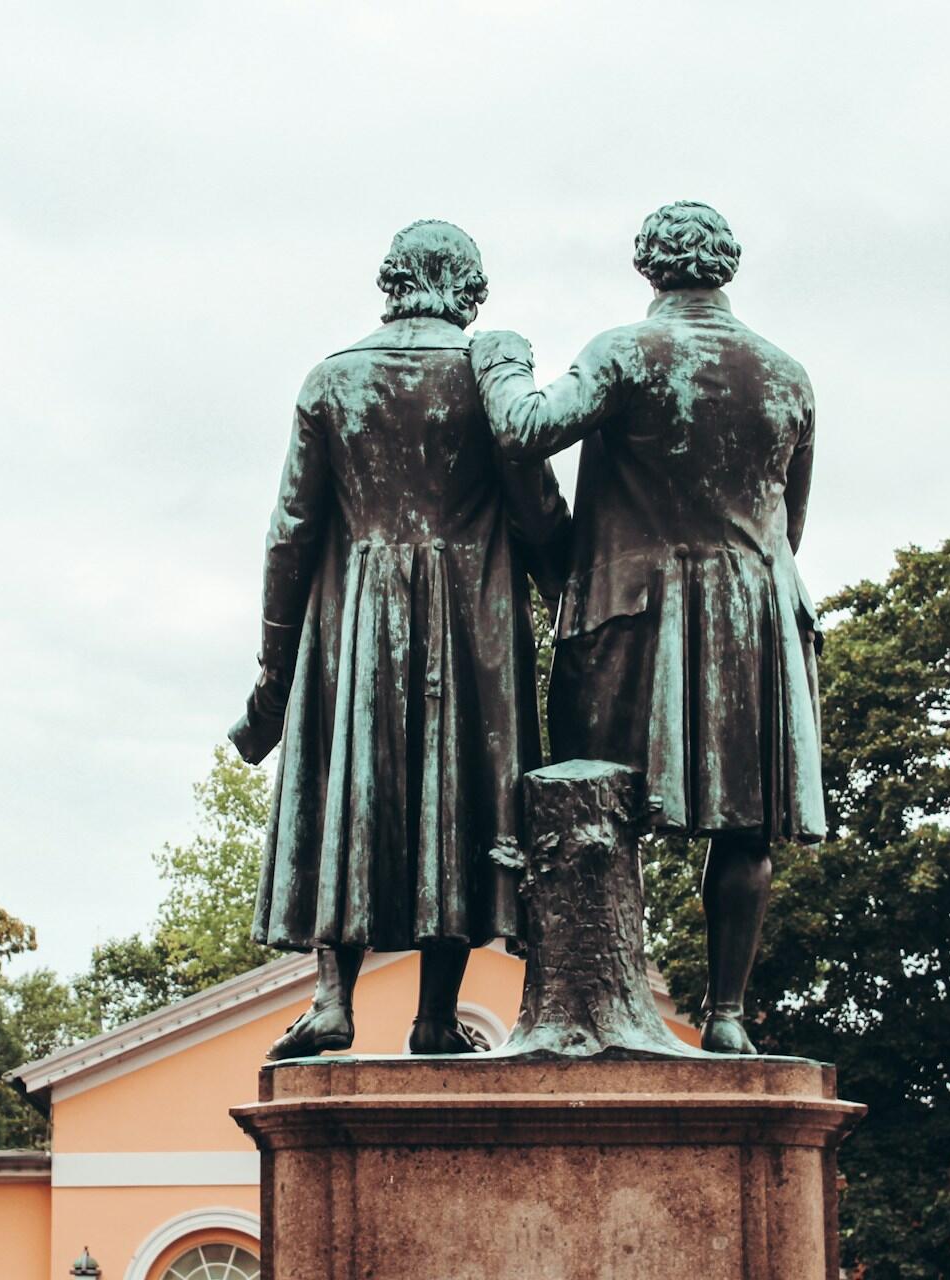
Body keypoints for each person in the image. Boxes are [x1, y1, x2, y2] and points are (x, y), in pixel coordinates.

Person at [469, 201, 825, 1054]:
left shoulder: (626, 349)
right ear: (726, 264)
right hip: (753, 616)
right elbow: (791, 521)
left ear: (649, 264)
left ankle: (582, 1007)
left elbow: (525, 428)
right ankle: (728, 1014)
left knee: (596, 813)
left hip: (631, 618)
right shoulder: (787, 374)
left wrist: (501, 358)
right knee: (743, 828)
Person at [230, 219, 569, 1059]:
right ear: (471, 291)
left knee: (352, 789)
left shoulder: (332, 381)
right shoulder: (491, 381)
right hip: (473, 623)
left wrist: (277, 666)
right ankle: (434, 1015)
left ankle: (333, 999)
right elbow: (539, 517)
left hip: (355, 624)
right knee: (456, 800)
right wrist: (573, 586)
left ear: (391, 283)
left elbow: (291, 533)